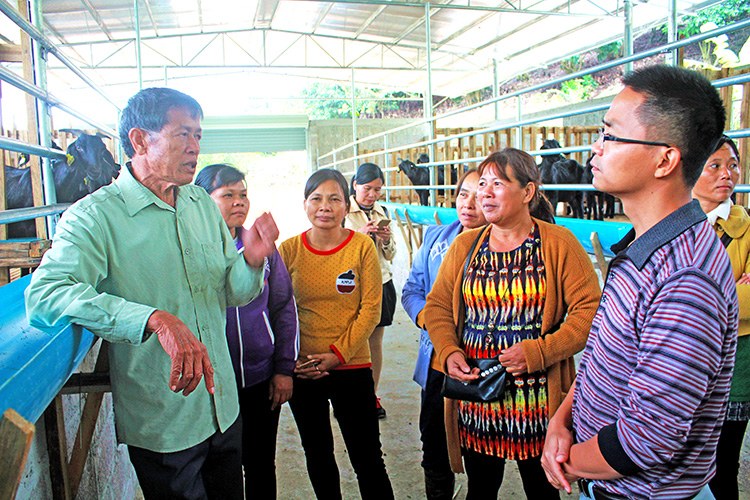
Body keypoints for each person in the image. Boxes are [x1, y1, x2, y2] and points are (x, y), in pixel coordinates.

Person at [25, 87, 280, 500]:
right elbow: (46, 295)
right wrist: (151, 318)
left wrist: (251, 261)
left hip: (223, 405)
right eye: (183, 134)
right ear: (140, 140)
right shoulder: (95, 217)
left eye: (198, 135)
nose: (195, 147)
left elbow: (232, 291)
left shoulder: (199, 203)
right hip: (164, 422)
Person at [541, 65, 738, 500]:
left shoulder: (686, 278)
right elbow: (603, 356)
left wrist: (564, 459)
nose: (596, 148)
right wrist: (564, 417)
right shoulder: (643, 246)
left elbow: (645, 439)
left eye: (610, 136)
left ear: (665, 159)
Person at [423, 148, 602, 500]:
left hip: (536, 401)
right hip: (476, 393)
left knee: (542, 491)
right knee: (481, 489)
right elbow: (438, 305)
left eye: (498, 183)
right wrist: (447, 351)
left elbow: (590, 311)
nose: (484, 193)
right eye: (482, 184)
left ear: (528, 192)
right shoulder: (464, 246)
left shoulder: (558, 244)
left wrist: (539, 351)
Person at [278, 168, 394, 500]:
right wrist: (293, 359)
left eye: (334, 199)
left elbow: (370, 308)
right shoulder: (289, 251)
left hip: (352, 367)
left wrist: (337, 355)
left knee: (368, 459)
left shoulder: (361, 247)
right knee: (318, 456)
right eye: (316, 199)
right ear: (305, 204)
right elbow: (278, 311)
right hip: (305, 371)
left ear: (347, 206)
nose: (325, 207)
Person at [195, 163, 298, 500]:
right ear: (203, 200)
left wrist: (283, 369)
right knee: (218, 467)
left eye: (243, 195)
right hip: (210, 384)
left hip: (258, 378)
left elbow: (283, 307)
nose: (239, 202)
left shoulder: (262, 248)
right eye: (228, 195)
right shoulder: (194, 252)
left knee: (260, 464)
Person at [401, 168, 487, 499]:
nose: (469, 204)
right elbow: (412, 289)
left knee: (480, 451)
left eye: (479, 196)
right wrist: (431, 322)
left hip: (481, 364)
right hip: (437, 358)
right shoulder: (436, 238)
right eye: (464, 194)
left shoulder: (504, 245)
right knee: (434, 441)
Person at [691, 136, 750, 500]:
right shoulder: (671, 225)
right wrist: (733, 287)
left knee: (722, 464)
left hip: (737, 365)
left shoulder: (748, 227)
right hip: (681, 365)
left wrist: (691, 299)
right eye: (714, 165)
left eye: (733, 164)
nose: (726, 174)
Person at [344, 162, 396, 419]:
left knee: (375, 343)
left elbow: (392, 255)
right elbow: (339, 252)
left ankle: (370, 396)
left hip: (382, 282)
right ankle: (346, 396)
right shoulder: (343, 212)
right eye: (367, 188)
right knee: (353, 342)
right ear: (355, 185)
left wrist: (386, 241)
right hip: (353, 286)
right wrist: (361, 236)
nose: (372, 195)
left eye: (377, 189)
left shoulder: (382, 211)